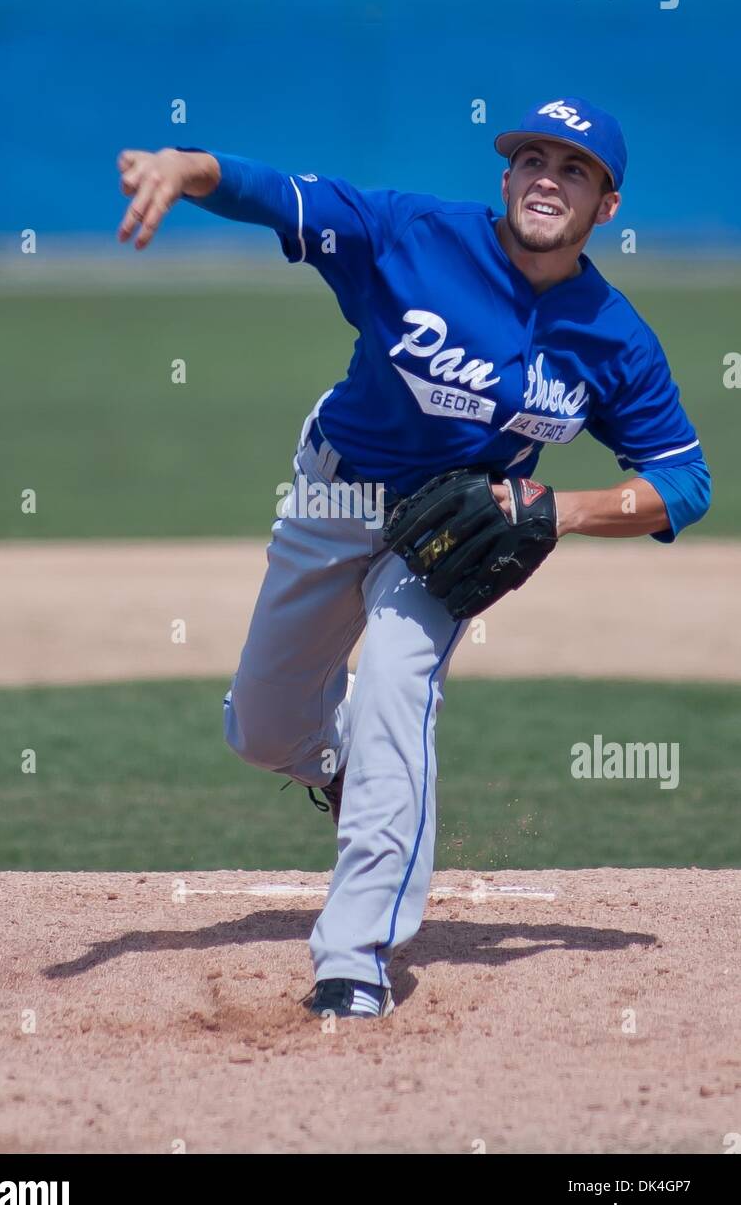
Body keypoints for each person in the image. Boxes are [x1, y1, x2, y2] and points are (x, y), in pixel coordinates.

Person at [116, 95, 710, 1020]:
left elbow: (683, 481)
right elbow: (277, 196)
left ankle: (353, 956)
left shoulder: (612, 336)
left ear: (606, 206)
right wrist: (183, 170)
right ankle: (341, 766)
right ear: (506, 177)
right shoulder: (410, 236)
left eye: (575, 169)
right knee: (264, 732)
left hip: (445, 537)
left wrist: (563, 510)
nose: (546, 178)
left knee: (398, 687)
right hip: (333, 494)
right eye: (531, 160)